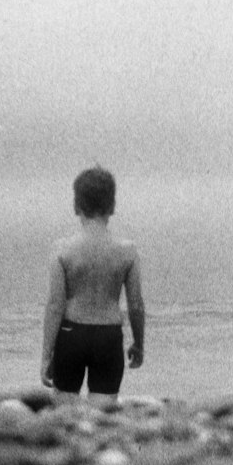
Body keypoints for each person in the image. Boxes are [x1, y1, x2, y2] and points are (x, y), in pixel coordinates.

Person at [40, 166, 145, 397]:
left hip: (71, 334)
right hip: (108, 336)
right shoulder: (128, 251)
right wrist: (139, 343)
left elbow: (55, 305)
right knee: (103, 413)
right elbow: (135, 304)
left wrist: (47, 353)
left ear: (76, 206)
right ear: (112, 206)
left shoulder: (62, 250)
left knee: (65, 413)